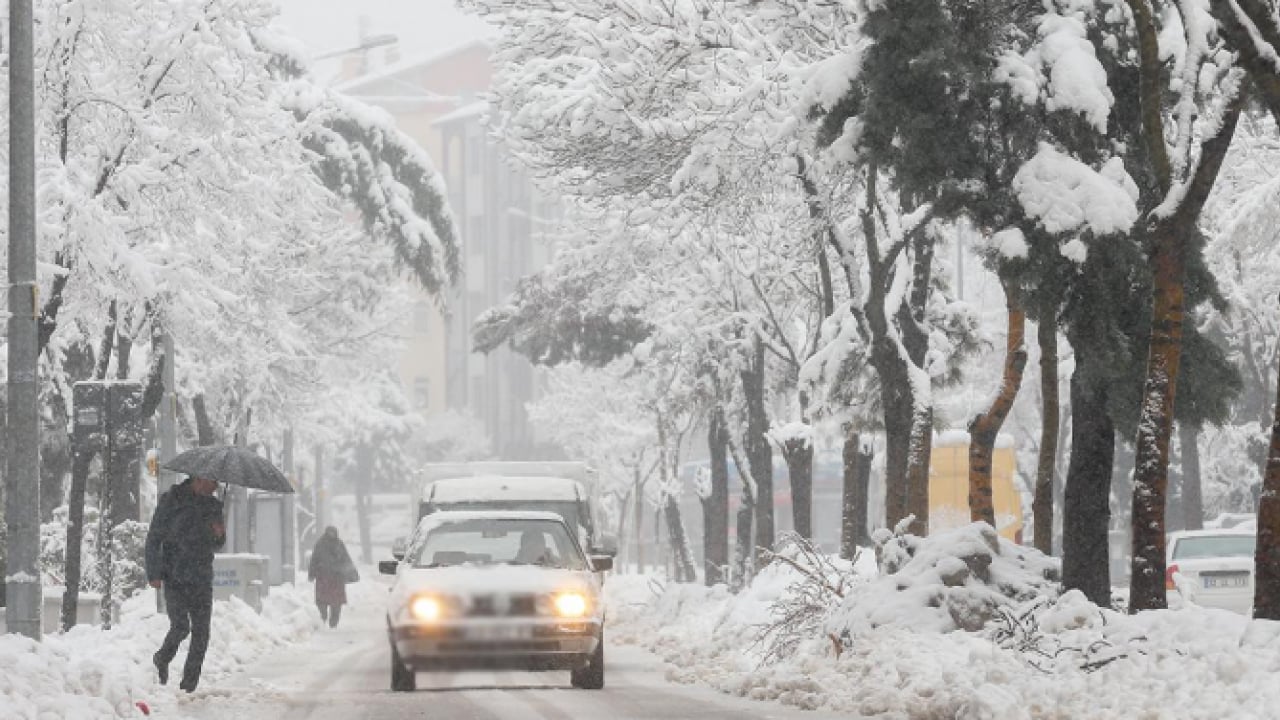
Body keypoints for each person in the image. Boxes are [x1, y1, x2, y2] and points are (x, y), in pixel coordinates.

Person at [144, 475, 225, 693]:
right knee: (180, 626)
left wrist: (219, 534)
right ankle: (162, 658)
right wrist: (154, 572)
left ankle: (189, 683)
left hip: (201, 575)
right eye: (213, 480)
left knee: (202, 631)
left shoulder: (214, 505)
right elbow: (154, 537)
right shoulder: (171, 500)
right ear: (200, 478)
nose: (216, 485)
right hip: (175, 573)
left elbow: (217, 544)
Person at [308, 526, 356, 628]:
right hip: (323, 577)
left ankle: (333, 622)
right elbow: (314, 559)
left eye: (333, 532)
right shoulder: (320, 544)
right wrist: (311, 573)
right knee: (322, 601)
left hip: (337, 578)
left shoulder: (339, 544)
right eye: (330, 532)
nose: (331, 534)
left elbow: (346, 559)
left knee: (336, 603)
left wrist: (351, 573)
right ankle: (323, 618)